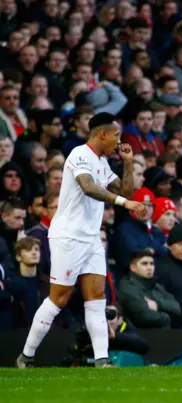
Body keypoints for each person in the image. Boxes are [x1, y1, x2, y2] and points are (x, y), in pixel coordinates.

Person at [16, 112, 147, 368]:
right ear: (102, 134)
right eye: (116, 135)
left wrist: (128, 163)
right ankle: (26, 356)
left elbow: (127, 192)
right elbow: (89, 187)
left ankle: (102, 361)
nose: (119, 140)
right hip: (67, 237)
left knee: (97, 298)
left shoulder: (103, 162)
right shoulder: (79, 155)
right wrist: (123, 201)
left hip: (90, 239)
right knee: (59, 299)